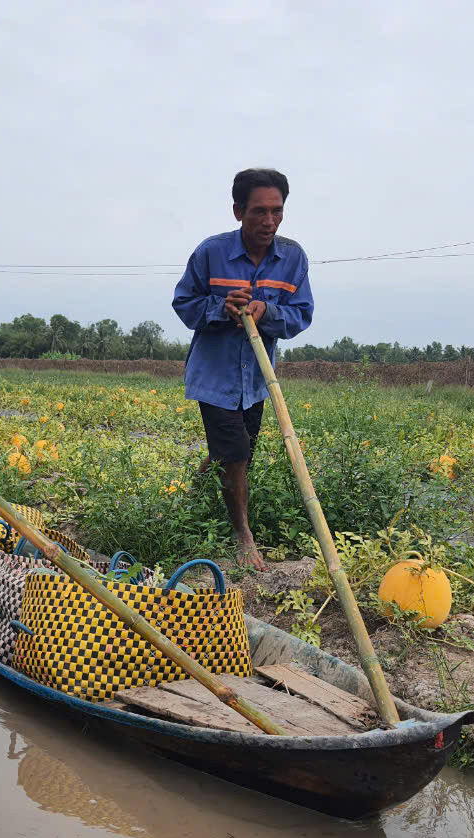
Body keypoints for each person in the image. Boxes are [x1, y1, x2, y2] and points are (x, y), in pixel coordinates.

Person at [172, 168, 313, 571]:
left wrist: (266, 311)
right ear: (238, 211)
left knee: (239, 451)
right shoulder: (210, 253)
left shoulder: (293, 259)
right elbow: (184, 305)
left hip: (256, 381)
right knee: (234, 454)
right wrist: (221, 308)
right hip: (215, 378)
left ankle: (198, 488)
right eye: (258, 212)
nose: (269, 221)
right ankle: (242, 535)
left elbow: (301, 315)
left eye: (277, 211)